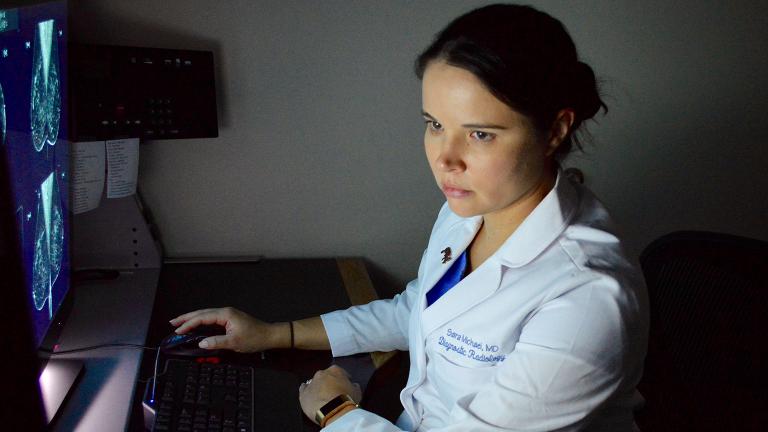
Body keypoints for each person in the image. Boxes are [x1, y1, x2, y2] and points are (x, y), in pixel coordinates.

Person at [170, 3, 649, 431]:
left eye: (480, 134)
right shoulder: (473, 206)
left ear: (554, 131)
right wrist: (276, 333)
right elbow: (418, 309)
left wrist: (335, 413)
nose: (445, 159)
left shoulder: (586, 300)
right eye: (435, 125)